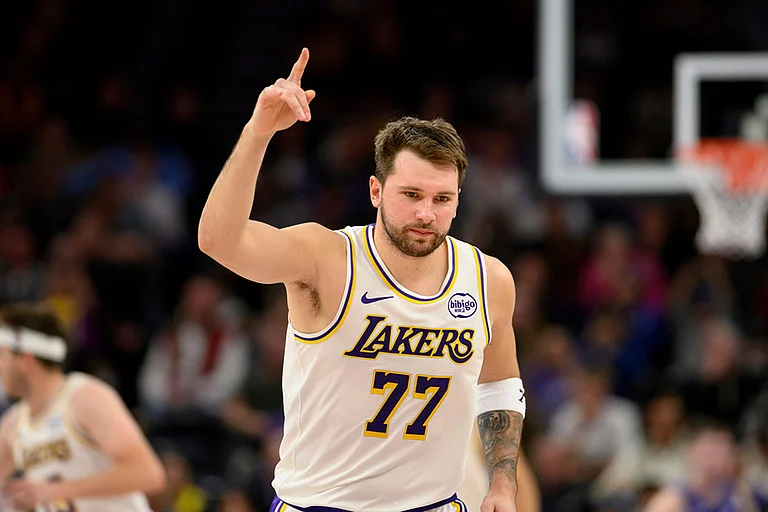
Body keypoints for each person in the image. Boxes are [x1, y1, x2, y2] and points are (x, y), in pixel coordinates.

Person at [199, 48, 527, 512]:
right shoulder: (327, 258)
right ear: (375, 190)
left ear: (458, 200)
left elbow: (499, 386)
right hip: (321, 505)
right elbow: (218, 240)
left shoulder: (488, 279)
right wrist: (258, 133)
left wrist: (501, 484)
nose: (425, 213)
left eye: (441, 198)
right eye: (410, 194)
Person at [0, 303, 166, 511]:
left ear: (25, 358)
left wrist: (55, 491)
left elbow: (148, 473)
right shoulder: (14, 423)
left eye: (2, 356)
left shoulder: (84, 397)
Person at [644, 421, 763, 512]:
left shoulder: (739, 494)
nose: (716, 461)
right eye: (709, 453)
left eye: (722, 452)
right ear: (692, 452)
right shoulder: (674, 497)